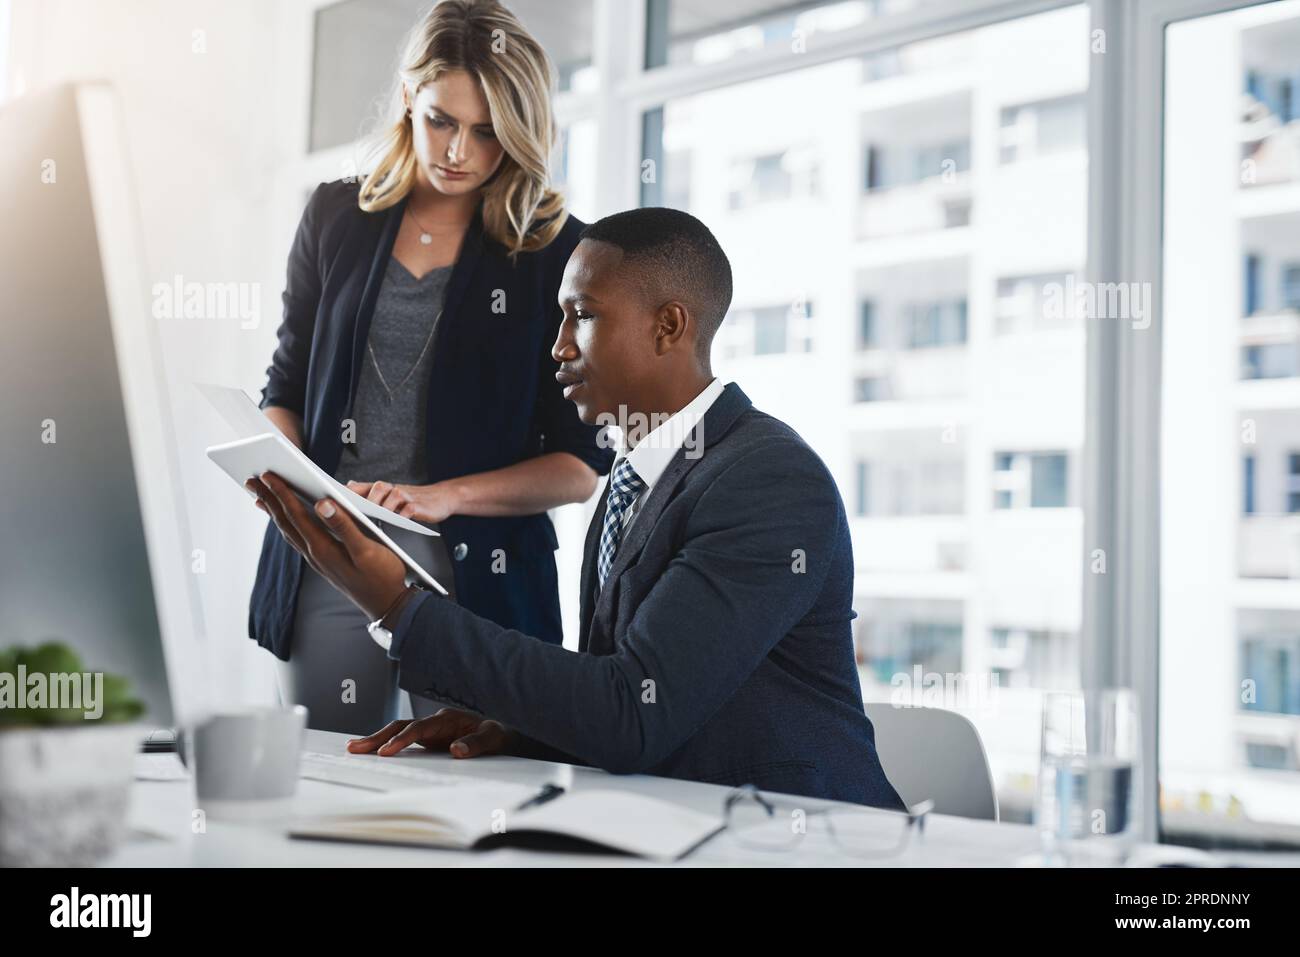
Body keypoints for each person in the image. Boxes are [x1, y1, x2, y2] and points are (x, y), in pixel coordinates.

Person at [248, 207, 903, 808]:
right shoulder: (633, 476)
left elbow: (634, 714)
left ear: (669, 326)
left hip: (809, 838)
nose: (558, 345)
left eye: (582, 316)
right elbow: (629, 695)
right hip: (683, 826)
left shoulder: (767, 477)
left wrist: (398, 605)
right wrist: (518, 728)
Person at [249, 0, 612, 734]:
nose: (459, 153)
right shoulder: (333, 216)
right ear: (410, 96)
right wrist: (281, 468)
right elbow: (284, 386)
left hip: (481, 577)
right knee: (329, 784)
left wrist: (442, 496)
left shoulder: (558, 254)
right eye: (442, 120)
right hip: (329, 549)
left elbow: (579, 466)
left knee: (473, 801)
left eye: (488, 133)